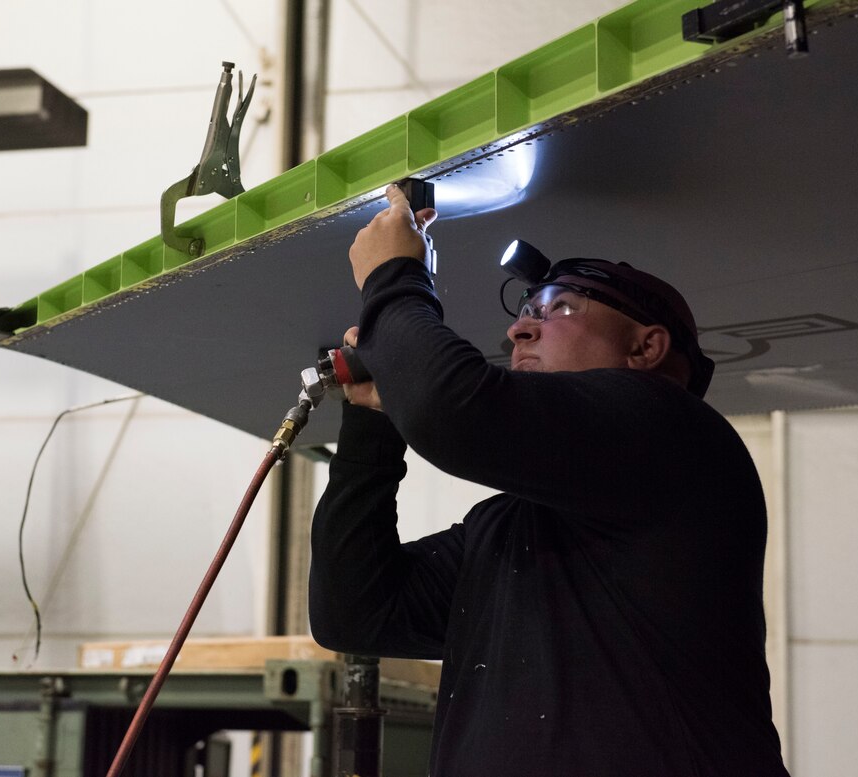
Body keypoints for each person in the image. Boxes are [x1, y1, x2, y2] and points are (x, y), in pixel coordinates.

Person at [309, 184, 789, 776]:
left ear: (646, 347)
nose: (519, 331)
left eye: (559, 308)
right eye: (526, 312)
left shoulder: (676, 436)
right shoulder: (509, 528)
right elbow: (354, 612)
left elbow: (454, 411)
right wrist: (371, 426)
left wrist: (395, 277)